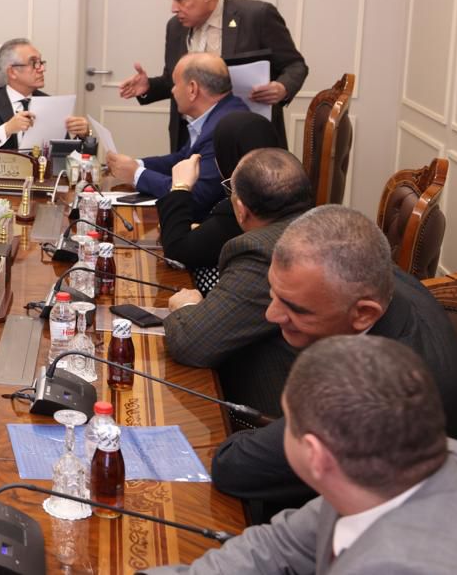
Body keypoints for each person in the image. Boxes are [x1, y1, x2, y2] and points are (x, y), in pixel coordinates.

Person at [210, 206, 457, 516]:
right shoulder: (378, 278)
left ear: (364, 313)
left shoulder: (374, 395)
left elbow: (234, 467)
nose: (270, 315)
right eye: (272, 292)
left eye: (295, 308)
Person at [148, 335, 457, 574]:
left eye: (287, 422)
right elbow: (278, 546)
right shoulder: (395, 469)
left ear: (315, 454)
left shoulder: (393, 564)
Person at [162, 148, 314, 418]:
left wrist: (187, 307)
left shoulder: (264, 251)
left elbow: (190, 342)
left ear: (241, 211)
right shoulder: (315, 227)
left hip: (279, 416)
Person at [118, 0, 307, 151]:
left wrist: (283, 88)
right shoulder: (175, 27)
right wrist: (148, 87)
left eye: (180, 0)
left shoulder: (256, 16)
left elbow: (295, 65)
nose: (174, 8)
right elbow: (175, 81)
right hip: (189, 138)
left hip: (245, 134)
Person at [107, 53, 250, 221]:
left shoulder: (222, 127)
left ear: (192, 89)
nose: (172, 91)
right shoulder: (220, 112)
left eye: (175, 84)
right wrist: (136, 165)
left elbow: (195, 194)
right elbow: (182, 158)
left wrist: (136, 175)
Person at [158, 111, 284, 290]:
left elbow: (176, 252)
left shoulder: (242, 205)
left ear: (227, 157)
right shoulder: (287, 189)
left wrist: (180, 187)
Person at [0, 37, 88, 150]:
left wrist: (83, 135)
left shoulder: (51, 104)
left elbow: (65, 154)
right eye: (34, 63)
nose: (42, 69)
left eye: (41, 62)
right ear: (12, 72)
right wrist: (7, 129)